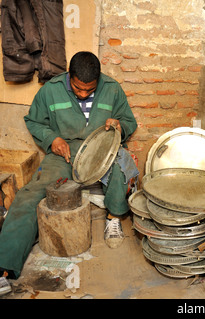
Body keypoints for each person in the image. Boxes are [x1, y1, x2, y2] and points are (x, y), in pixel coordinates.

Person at [0, 52, 138, 294]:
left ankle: (113, 218)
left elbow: (129, 121)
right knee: (30, 194)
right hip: (64, 153)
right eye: (78, 88)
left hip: (101, 149)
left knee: (120, 165)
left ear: (98, 80)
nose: (83, 94)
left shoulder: (112, 89)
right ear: (69, 77)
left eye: (89, 90)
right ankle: (4, 266)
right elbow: (34, 121)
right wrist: (52, 138)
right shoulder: (50, 90)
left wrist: (119, 125)